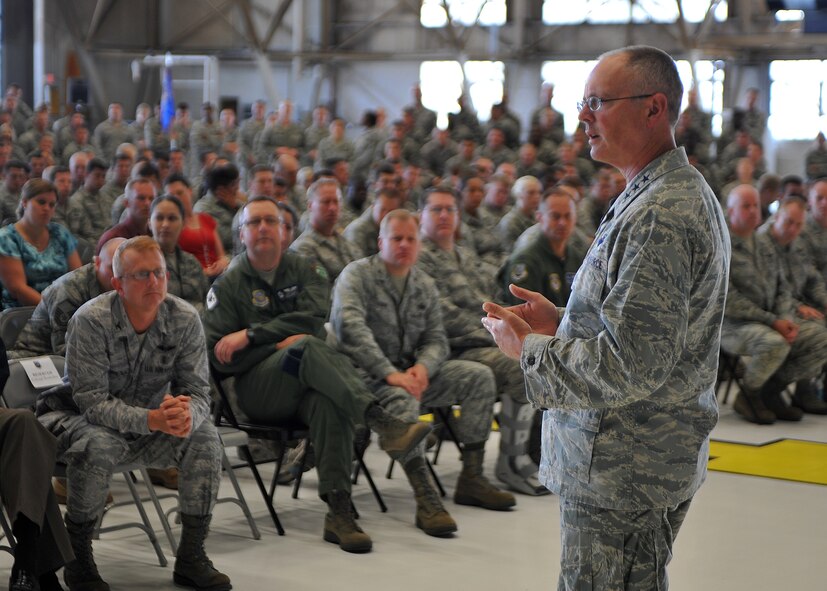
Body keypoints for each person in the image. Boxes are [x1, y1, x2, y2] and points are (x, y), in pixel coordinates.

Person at [481, 46, 730, 589]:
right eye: (582, 102)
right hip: (631, 461)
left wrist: (528, 349)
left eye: (598, 101)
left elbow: (631, 364)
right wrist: (566, 322)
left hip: (626, 470)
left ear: (653, 108)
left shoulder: (661, 212)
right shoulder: (656, 194)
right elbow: (647, 329)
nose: (583, 116)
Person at [201, 196, 431, 553]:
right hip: (257, 392)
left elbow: (314, 322)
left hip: (305, 381)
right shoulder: (228, 285)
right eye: (253, 222)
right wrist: (273, 344)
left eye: (270, 221)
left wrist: (251, 334)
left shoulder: (306, 269)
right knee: (304, 349)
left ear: (283, 230)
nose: (263, 228)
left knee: (328, 399)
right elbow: (222, 358)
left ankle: (339, 512)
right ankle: (382, 421)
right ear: (242, 234)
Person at [36, 236, 231, 591]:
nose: (154, 282)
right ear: (118, 283)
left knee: (203, 437)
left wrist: (187, 413)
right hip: (71, 421)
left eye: (159, 273)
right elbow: (91, 402)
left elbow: (199, 391)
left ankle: (191, 555)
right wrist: (151, 419)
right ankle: (78, 558)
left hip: (143, 424)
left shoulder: (184, 317)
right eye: (141, 275)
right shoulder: (91, 319)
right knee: (101, 442)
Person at [332, 210, 515, 533]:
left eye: (410, 239)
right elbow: (351, 330)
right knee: (402, 400)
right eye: (396, 238)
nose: (404, 245)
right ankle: (426, 497)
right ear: (380, 242)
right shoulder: (356, 275)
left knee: (477, 376)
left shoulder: (422, 283)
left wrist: (422, 367)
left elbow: (437, 339)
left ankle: (471, 477)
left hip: (409, 375)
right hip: (363, 380)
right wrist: (390, 373)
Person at [417, 187, 546, 496]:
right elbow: (440, 314)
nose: (445, 215)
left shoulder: (465, 254)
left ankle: (525, 456)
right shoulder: (419, 257)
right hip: (449, 349)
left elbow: (493, 299)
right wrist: (496, 333)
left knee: (537, 355)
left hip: (483, 342)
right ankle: (510, 461)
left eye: (450, 209)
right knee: (519, 365)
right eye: (436, 209)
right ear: (421, 215)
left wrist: (507, 329)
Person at [722, 185, 827, 424]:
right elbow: (729, 301)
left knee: (820, 338)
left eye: (755, 206)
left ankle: (770, 391)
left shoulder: (763, 245)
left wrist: (786, 319)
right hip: (734, 326)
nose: (752, 211)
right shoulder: (723, 247)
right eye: (745, 206)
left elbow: (783, 288)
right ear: (730, 211)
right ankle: (749, 396)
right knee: (774, 343)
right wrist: (774, 321)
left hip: (773, 320)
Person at [757, 196, 827, 414]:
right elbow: (771, 291)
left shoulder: (796, 245)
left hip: (793, 307)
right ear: (777, 217)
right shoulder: (762, 244)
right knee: (820, 335)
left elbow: (813, 279)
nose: (793, 229)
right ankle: (770, 387)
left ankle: (804, 390)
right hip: (770, 312)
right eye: (789, 222)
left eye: (798, 225)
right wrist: (798, 307)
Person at [11, 237, 125, 359]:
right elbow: (65, 350)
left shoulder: (132, 285)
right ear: (97, 263)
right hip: (39, 359)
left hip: (95, 358)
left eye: (125, 270)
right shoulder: (69, 290)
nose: (118, 276)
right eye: (112, 268)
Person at [500, 187, 588, 307]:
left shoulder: (577, 257)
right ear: (539, 217)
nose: (562, 223)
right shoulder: (526, 260)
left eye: (568, 216)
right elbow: (525, 312)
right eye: (555, 216)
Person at [0, 179, 81, 308]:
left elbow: (77, 277)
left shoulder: (60, 232)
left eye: (52, 204)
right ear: (25, 202)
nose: (46, 208)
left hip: (61, 310)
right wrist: (57, 310)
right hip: (21, 313)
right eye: (41, 202)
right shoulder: (6, 238)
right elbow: (18, 289)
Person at [289, 178, 360, 284]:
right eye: (326, 202)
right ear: (310, 206)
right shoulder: (302, 248)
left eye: (336, 201)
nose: (332, 208)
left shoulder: (346, 242)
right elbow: (321, 286)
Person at [149, 194, 208, 311]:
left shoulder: (191, 262)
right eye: (159, 218)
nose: (165, 224)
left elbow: (207, 300)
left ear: (184, 223)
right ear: (149, 223)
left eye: (172, 218)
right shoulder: (142, 263)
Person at [164, 173, 228, 278]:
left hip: (220, 275)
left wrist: (222, 262)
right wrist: (203, 272)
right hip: (193, 279)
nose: (176, 198)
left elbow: (221, 254)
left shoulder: (206, 218)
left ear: (189, 191)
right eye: (171, 196)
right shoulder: (172, 227)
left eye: (180, 193)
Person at [94, 178, 154, 253]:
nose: (148, 203)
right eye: (141, 198)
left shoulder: (155, 234)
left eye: (151, 198)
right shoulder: (113, 239)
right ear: (127, 203)